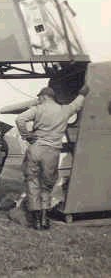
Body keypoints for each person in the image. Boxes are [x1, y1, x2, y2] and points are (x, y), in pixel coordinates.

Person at [15, 84, 89, 230]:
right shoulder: (64, 110)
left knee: (32, 182)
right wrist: (83, 93)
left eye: (39, 98)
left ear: (43, 97)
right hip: (52, 152)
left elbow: (20, 119)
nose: (38, 100)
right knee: (47, 185)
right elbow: (77, 104)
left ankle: (36, 221)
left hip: (35, 149)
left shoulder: (38, 109)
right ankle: (44, 219)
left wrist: (27, 136)